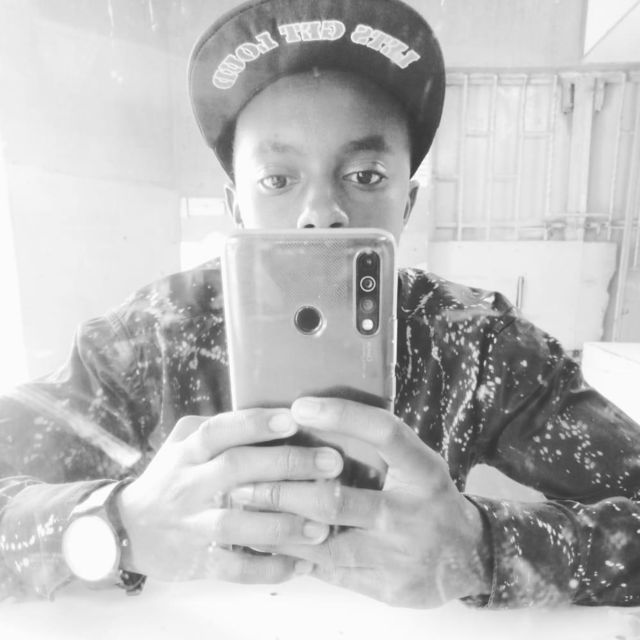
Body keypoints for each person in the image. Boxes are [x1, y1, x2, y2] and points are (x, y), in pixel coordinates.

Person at [1, 0, 640, 609]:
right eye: (278, 179)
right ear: (236, 208)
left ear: (407, 204)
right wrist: (116, 527)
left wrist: (483, 549)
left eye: (365, 176)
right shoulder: (150, 339)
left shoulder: (475, 343)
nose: (321, 215)